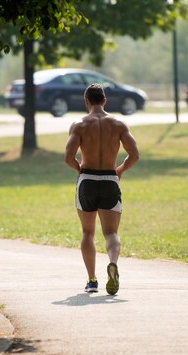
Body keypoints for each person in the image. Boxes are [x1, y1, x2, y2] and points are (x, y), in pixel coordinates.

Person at [64, 83, 139, 295]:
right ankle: (113, 263)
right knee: (111, 233)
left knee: (88, 232)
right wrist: (121, 170)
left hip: (87, 180)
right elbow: (135, 154)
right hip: (109, 179)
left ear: (86, 102)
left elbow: (68, 157)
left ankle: (92, 280)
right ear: (105, 100)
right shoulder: (118, 124)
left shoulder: (79, 125)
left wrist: (80, 169)